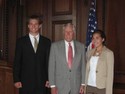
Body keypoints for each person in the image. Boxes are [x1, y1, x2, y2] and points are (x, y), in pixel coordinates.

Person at [13, 15, 51, 94]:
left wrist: (49, 78)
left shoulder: (47, 42)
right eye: (31, 24)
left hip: (42, 82)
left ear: (39, 25)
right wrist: (16, 79)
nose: (33, 26)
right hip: (25, 82)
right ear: (28, 25)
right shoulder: (20, 42)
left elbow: (48, 62)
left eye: (36, 24)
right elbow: (17, 62)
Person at [48, 23, 86, 94]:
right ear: (63, 32)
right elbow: (51, 67)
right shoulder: (54, 46)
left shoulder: (81, 47)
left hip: (76, 86)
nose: (68, 34)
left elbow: (83, 67)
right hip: (60, 86)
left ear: (73, 33)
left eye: (70, 31)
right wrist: (52, 86)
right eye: (66, 31)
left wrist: (83, 84)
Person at [85, 30, 114, 94]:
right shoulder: (89, 53)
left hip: (101, 87)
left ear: (103, 39)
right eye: (93, 38)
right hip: (89, 86)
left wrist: (109, 92)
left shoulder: (109, 53)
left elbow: (110, 75)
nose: (94, 40)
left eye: (97, 38)